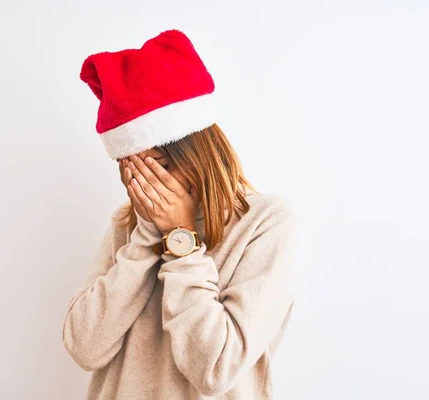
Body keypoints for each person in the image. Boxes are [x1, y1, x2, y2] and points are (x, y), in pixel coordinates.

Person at [62, 29, 297, 399]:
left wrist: (181, 241)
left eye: (156, 167)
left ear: (195, 152)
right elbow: (84, 346)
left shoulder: (264, 223)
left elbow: (217, 369)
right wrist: (146, 236)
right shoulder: (128, 225)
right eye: (131, 171)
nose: (143, 186)